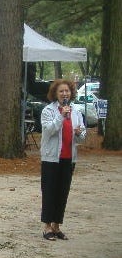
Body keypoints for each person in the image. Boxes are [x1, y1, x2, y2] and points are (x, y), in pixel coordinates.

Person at [40, 79, 85, 241]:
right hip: (51, 158)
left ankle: (56, 225)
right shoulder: (48, 111)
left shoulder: (77, 112)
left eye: (67, 91)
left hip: (68, 158)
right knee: (49, 191)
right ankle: (46, 226)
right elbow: (49, 130)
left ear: (71, 93)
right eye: (61, 91)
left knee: (62, 192)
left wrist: (80, 133)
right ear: (55, 94)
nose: (64, 94)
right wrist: (61, 116)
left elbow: (81, 138)